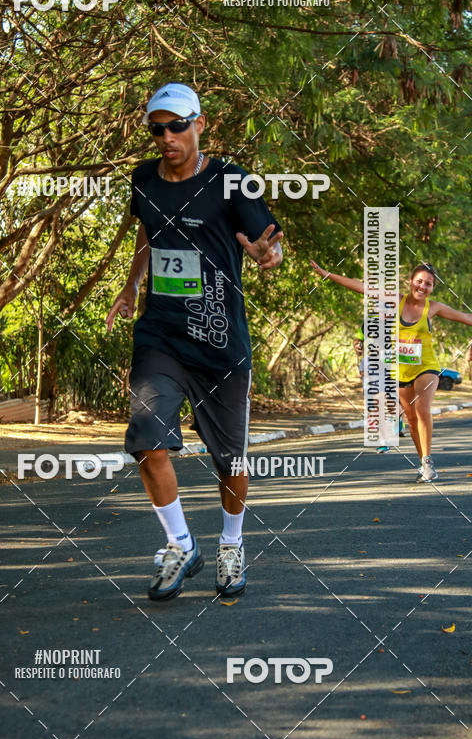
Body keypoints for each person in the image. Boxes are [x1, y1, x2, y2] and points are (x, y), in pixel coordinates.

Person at [106, 82, 283, 600]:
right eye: (156, 129)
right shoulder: (143, 180)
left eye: (177, 126)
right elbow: (148, 235)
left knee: (230, 461)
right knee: (146, 437)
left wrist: (268, 257)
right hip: (160, 334)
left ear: (200, 124)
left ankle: (231, 545)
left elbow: (270, 243)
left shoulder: (232, 181)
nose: (166, 137)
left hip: (220, 341)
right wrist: (130, 285)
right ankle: (181, 544)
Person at [312, 260, 472, 482]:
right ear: (410, 282)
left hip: (427, 367)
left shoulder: (434, 307)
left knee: (423, 408)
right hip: (400, 372)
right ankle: (424, 461)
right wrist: (328, 274)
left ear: (433, 287)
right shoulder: (395, 300)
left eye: (428, 284)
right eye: (419, 282)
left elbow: (467, 319)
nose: (423, 287)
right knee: (410, 417)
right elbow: (362, 287)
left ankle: (427, 462)